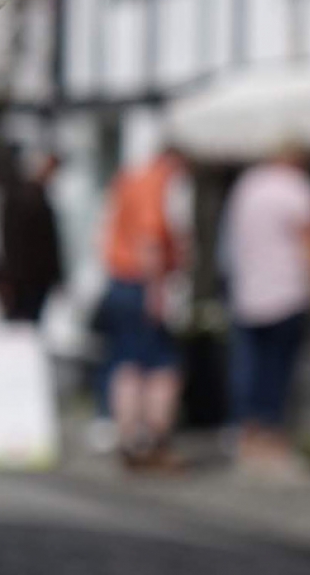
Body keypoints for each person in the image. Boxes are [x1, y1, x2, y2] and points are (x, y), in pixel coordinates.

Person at [224, 144, 310, 480]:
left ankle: (250, 438)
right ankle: (272, 444)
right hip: (286, 292)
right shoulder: (297, 188)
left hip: (247, 292)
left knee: (252, 369)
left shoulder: (248, 184)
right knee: (279, 371)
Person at [101, 147, 191, 471]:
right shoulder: (158, 183)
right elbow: (150, 238)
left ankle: (128, 439)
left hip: (119, 278)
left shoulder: (129, 178)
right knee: (162, 367)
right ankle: (152, 442)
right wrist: (157, 290)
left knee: (126, 362)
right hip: (144, 282)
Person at [0, 153, 64, 322]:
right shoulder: (24, 199)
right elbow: (14, 244)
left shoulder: (36, 197)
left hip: (34, 280)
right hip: (25, 281)